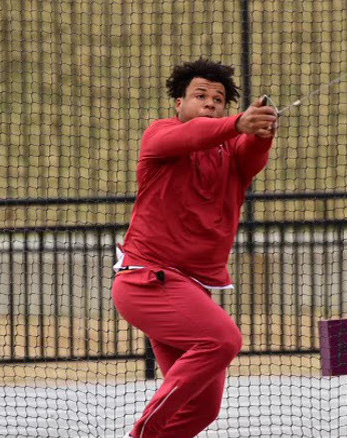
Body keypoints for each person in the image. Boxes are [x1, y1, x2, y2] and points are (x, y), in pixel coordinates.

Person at [111, 58, 277, 438]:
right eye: (200, 95)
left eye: (219, 99)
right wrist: (236, 123)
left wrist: (262, 131)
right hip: (145, 282)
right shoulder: (160, 135)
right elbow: (195, 135)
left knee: (203, 408)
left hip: (188, 289)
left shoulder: (231, 151)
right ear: (178, 104)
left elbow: (251, 153)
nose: (210, 103)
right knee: (223, 339)